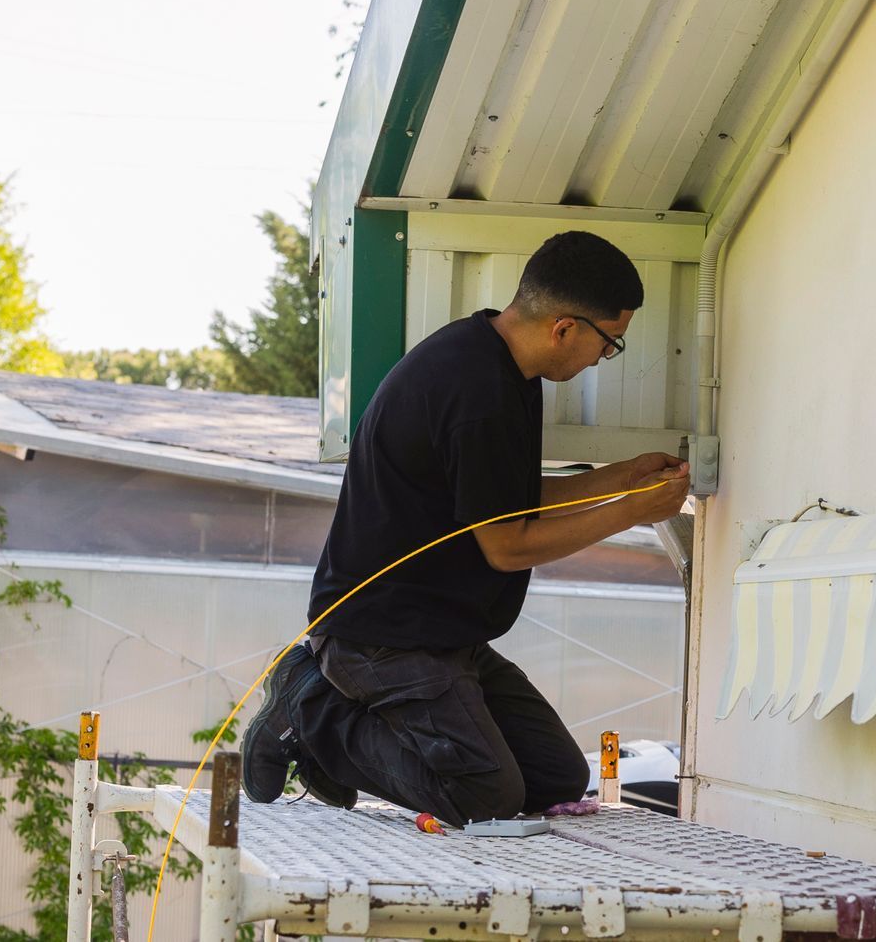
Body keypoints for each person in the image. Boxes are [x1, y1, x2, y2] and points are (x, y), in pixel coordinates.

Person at [242, 230, 690, 825]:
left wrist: (621, 478)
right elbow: (507, 545)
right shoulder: (477, 390)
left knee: (557, 777)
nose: (599, 361)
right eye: (609, 345)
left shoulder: (500, 365)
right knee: (487, 798)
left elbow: (499, 500)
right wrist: (632, 512)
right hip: (379, 637)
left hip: (441, 634)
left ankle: (338, 730)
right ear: (565, 327)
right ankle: (315, 712)